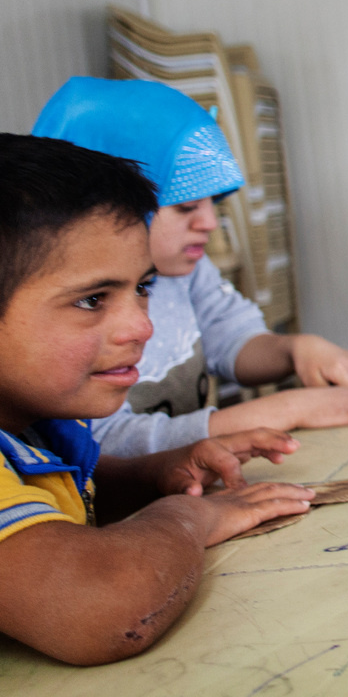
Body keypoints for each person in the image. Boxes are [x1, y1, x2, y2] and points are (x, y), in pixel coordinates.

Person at [0, 133, 315, 664]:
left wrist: (152, 476)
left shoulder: (36, 424)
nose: (141, 326)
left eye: (143, 287)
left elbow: (52, 507)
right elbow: (103, 606)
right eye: (92, 299)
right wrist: (187, 519)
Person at [32, 78, 348, 456]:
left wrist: (294, 350)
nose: (208, 222)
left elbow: (231, 338)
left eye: (212, 204)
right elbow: (108, 446)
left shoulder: (186, 271)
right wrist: (286, 410)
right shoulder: (72, 306)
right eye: (186, 207)